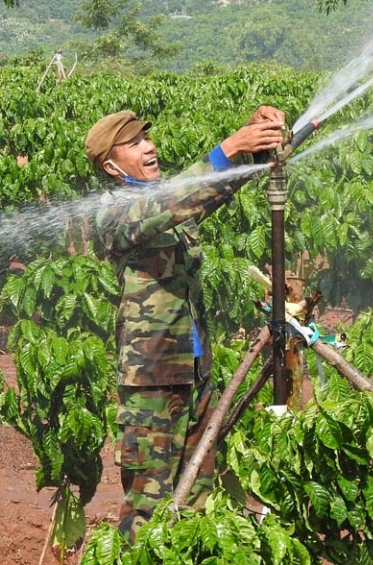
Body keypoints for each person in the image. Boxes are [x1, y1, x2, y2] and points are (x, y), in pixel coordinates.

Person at [84, 106, 285, 538]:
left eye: (147, 139)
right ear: (111, 165)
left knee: (197, 497)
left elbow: (203, 192)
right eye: (135, 143)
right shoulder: (112, 212)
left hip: (193, 372)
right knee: (148, 505)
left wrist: (252, 144)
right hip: (152, 377)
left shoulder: (171, 202)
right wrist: (227, 147)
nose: (149, 147)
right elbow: (170, 203)